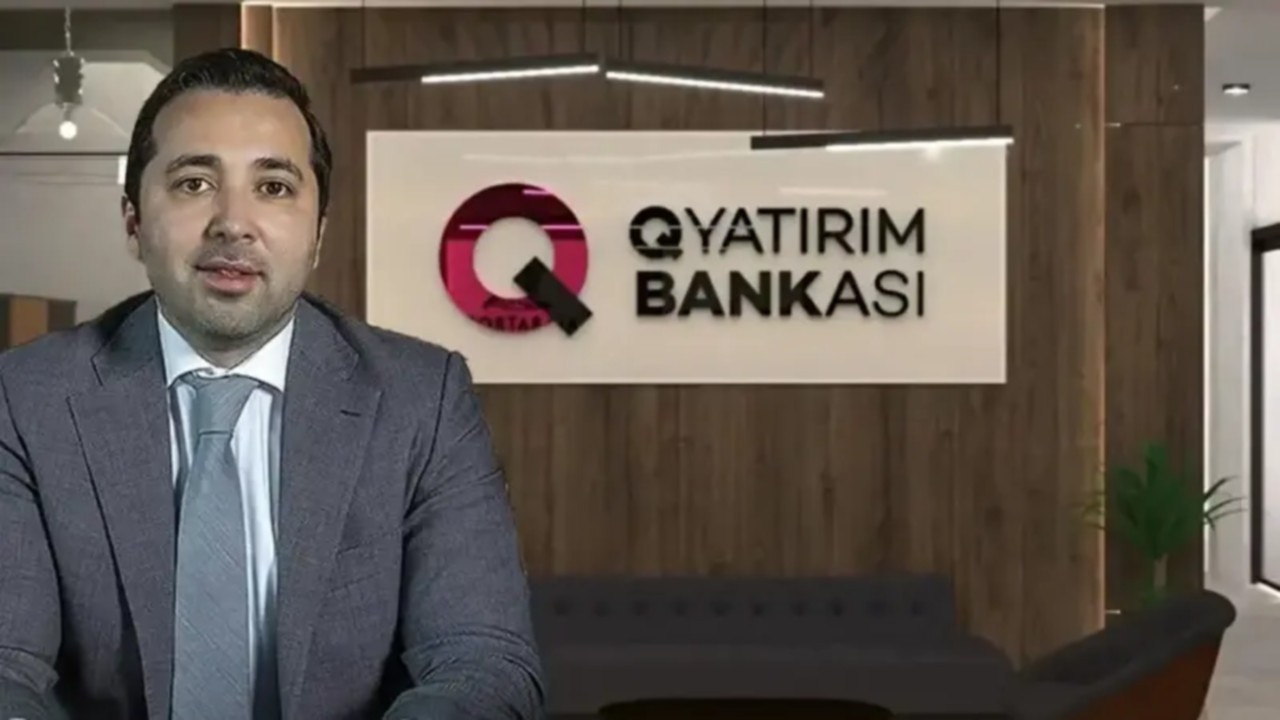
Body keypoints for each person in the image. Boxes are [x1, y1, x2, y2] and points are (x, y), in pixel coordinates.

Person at [0, 48, 545, 720]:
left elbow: (483, 663)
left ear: (318, 233)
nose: (233, 222)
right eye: (194, 183)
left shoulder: (421, 401)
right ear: (134, 222)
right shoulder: (25, 400)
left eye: (275, 187)